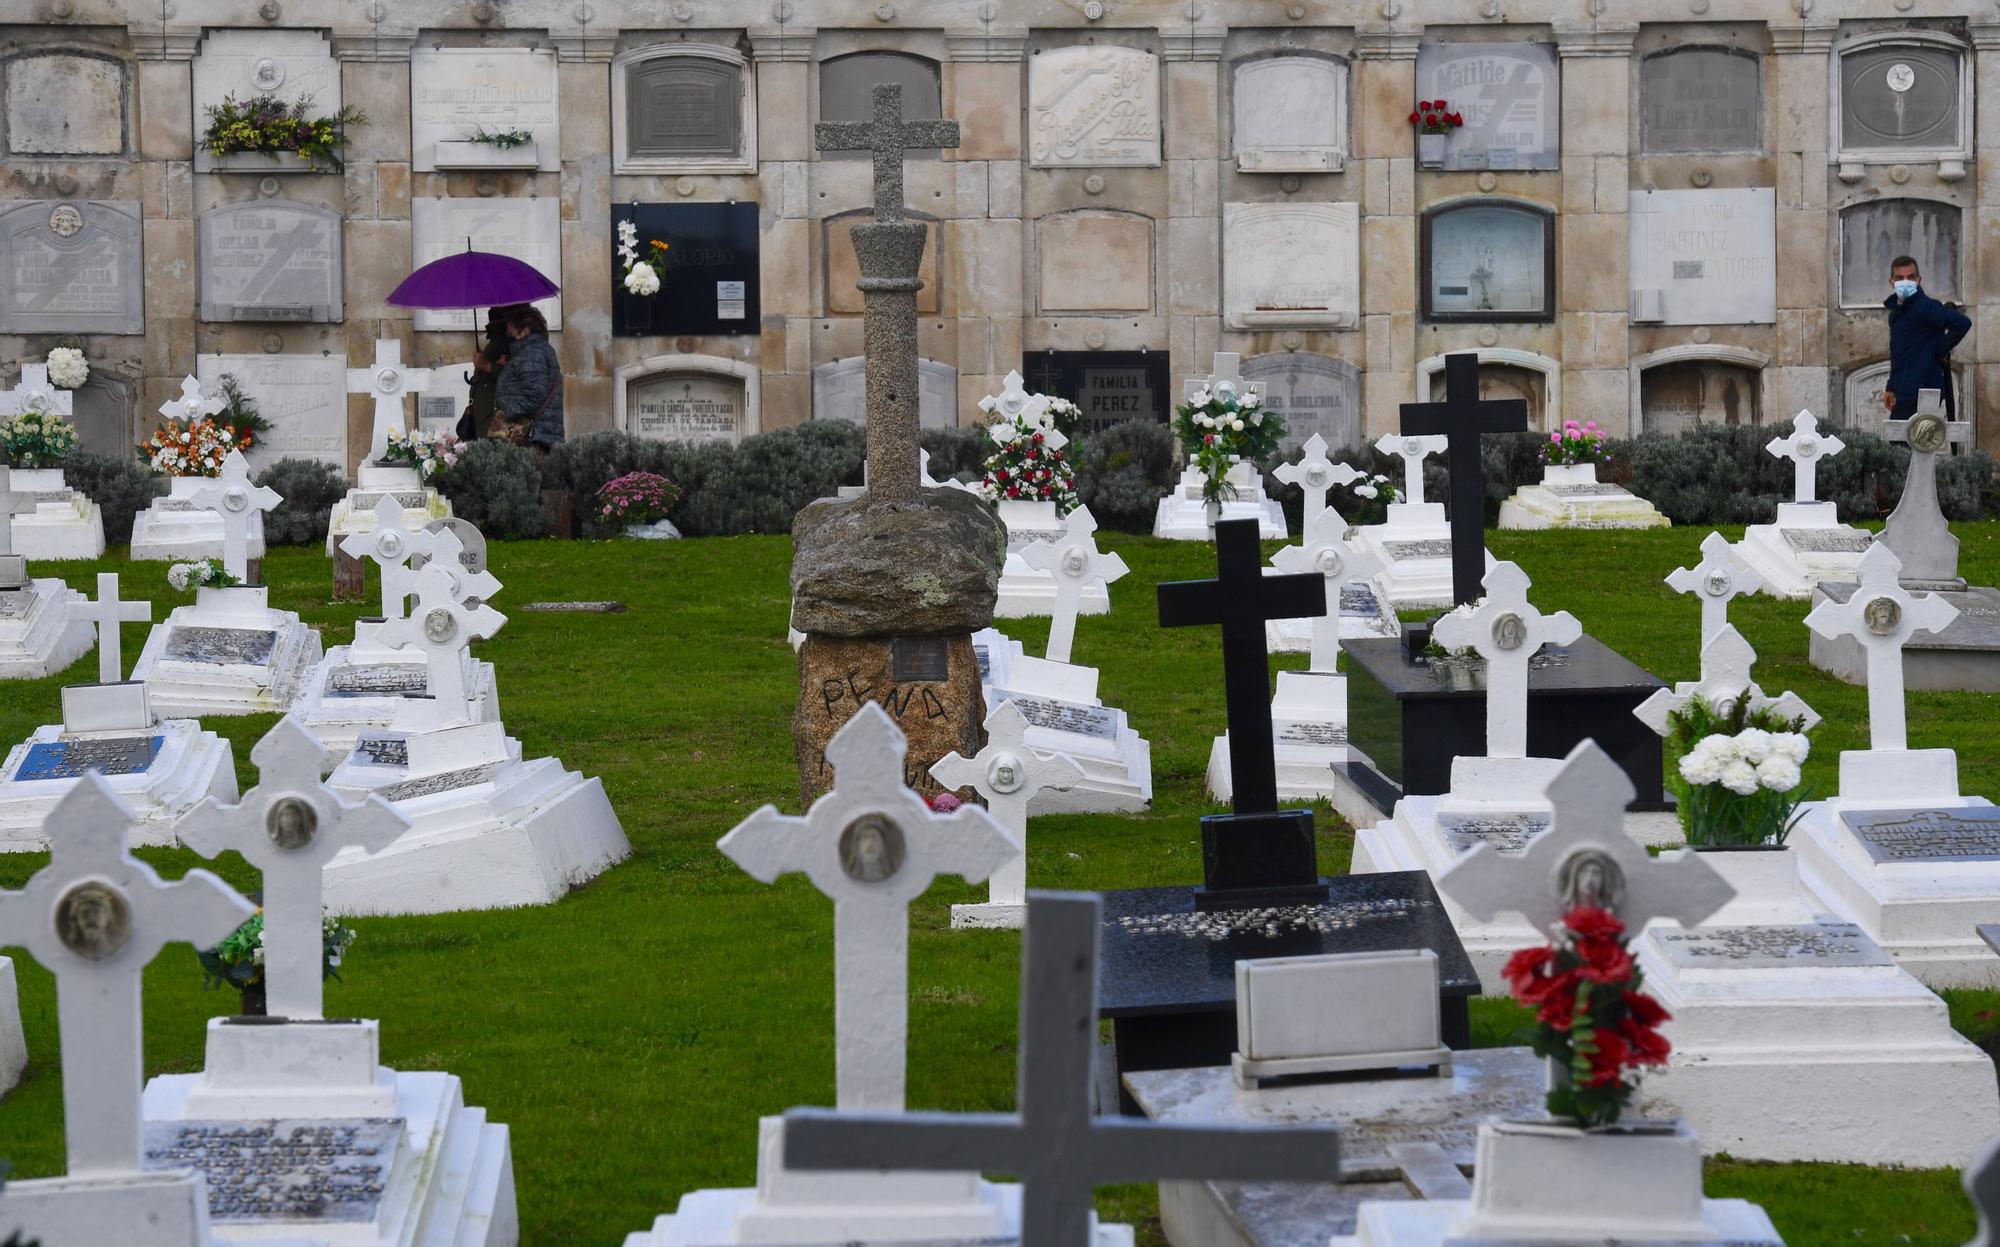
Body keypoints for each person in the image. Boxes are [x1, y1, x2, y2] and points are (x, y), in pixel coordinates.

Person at [1883, 255, 1970, 421]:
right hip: (1904, 389)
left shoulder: (1926, 307)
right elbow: (1899, 354)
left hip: (1923, 389)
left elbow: (1962, 323)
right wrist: (1891, 387)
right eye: (1900, 278)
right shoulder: (1897, 311)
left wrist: (1939, 348)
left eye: (1910, 277)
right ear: (1891, 281)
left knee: (1902, 444)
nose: (1905, 281)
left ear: (1918, 279)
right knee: (1902, 443)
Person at [492, 304, 564, 451]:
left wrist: (505, 412)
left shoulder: (531, 353)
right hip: (538, 436)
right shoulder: (531, 351)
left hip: (533, 438)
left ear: (524, 330)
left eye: (510, 326)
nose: (507, 331)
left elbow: (533, 396)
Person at [463, 306, 512, 439]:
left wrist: (488, 365)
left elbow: (513, 376)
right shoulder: (497, 337)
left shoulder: (507, 340)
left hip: (493, 414)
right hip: (485, 412)